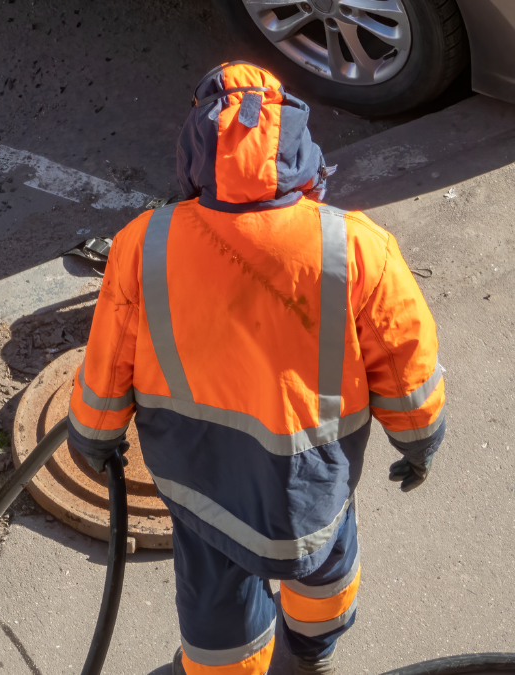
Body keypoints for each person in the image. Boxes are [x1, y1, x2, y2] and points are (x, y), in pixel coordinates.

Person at [67, 63, 444, 675]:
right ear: (300, 147)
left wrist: (93, 436)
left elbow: (110, 359)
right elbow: (405, 361)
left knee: (216, 597)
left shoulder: (146, 242)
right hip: (312, 485)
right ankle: (313, 654)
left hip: (201, 482)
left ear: (195, 147)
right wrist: (420, 441)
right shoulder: (353, 244)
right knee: (323, 566)